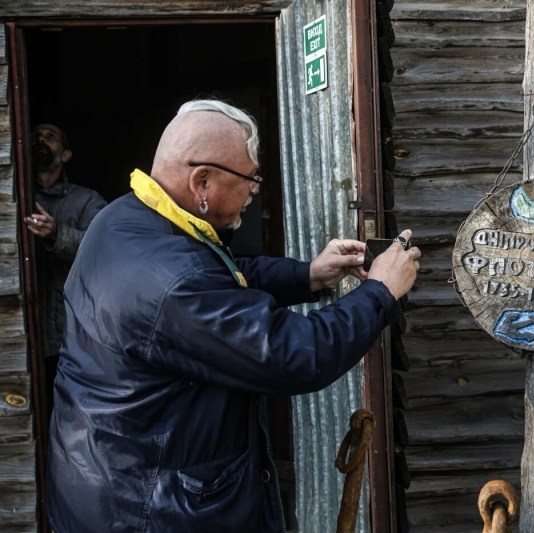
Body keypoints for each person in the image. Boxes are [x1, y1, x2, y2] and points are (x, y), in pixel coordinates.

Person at [45, 100, 420, 532]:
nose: (256, 189)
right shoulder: (172, 281)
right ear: (201, 182)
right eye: (249, 177)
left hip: (104, 474)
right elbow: (294, 355)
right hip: (148, 509)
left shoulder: (125, 219)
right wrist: (380, 292)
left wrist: (308, 275)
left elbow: (220, 276)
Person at [22, 124, 106, 417]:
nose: (40, 139)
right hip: (20, 331)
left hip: (67, 336)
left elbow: (102, 252)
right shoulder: (14, 197)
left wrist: (56, 233)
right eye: (35, 135)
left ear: (67, 154)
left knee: (67, 415)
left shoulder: (87, 200)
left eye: (50, 136)